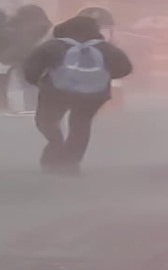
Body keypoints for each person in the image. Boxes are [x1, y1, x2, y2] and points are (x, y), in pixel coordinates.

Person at [24, 16, 132, 175]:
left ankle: (55, 146)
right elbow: (125, 68)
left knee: (46, 121)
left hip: (56, 91)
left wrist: (39, 83)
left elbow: (31, 68)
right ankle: (71, 161)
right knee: (81, 123)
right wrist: (101, 77)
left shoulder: (52, 46)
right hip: (94, 93)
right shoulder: (106, 48)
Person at [0, 5, 52, 113]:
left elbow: (16, 44)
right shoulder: (47, 26)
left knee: (22, 86)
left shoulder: (17, 26)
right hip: (41, 61)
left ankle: (25, 109)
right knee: (38, 87)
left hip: (20, 60)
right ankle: (37, 108)